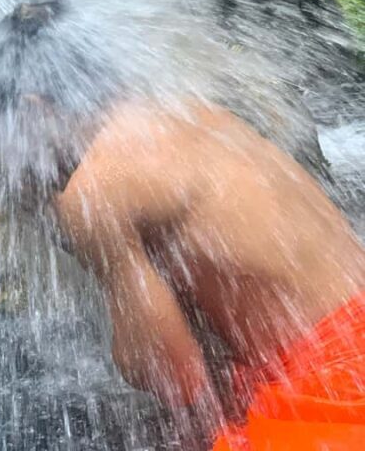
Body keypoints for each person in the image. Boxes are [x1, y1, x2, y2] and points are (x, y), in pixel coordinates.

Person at [53, 98, 365, 450]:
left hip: (333, 393)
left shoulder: (94, 190)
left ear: (34, 105)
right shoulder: (189, 112)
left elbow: (176, 377)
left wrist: (96, 253)